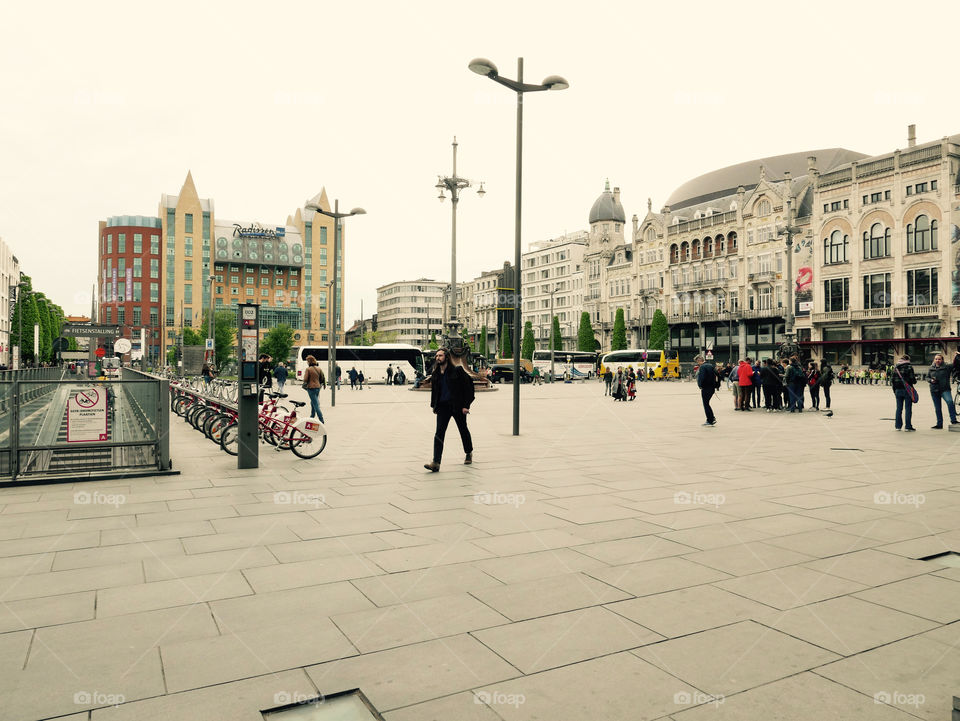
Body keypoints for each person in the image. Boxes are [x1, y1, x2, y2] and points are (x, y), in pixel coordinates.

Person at [424, 348, 475, 472]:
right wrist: (434, 406)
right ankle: (436, 462)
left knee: (463, 429)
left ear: (446, 357)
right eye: (436, 356)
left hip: (457, 406)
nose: (438, 358)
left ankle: (468, 452)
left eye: (440, 355)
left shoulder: (457, 370)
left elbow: (469, 387)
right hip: (443, 407)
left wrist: (466, 406)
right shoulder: (436, 373)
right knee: (439, 434)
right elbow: (435, 391)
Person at [927, 352, 958, 429]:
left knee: (950, 402)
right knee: (937, 408)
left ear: (942, 360)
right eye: (936, 359)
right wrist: (931, 380)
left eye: (939, 359)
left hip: (945, 389)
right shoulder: (931, 368)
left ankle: (953, 420)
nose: (937, 360)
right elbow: (927, 377)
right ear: (934, 360)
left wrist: (957, 356)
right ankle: (939, 424)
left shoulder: (947, 367)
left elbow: (955, 364)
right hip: (934, 390)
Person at [891, 354, 917, 431]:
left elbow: (892, 380)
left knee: (899, 408)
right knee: (908, 408)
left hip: (898, 390)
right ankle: (908, 426)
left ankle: (898, 426)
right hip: (907, 390)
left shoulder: (896, 367)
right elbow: (913, 380)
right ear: (908, 360)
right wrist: (915, 380)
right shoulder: (909, 367)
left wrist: (895, 391)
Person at [696, 353, 720, 426]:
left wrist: (700, 385)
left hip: (706, 388)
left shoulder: (703, 367)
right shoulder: (711, 366)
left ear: (700, 360)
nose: (697, 363)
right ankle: (711, 418)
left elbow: (702, 378)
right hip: (712, 388)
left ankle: (710, 420)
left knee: (706, 404)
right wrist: (717, 385)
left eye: (697, 362)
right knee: (707, 403)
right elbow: (718, 375)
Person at [303, 355, 324, 422]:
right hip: (318, 387)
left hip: (311, 388)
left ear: (309, 361)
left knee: (315, 404)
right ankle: (312, 416)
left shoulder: (308, 369)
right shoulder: (319, 369)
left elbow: (305, 379)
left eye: (307, 361)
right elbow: (321, 378)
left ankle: (321, 419)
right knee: (313, 402)